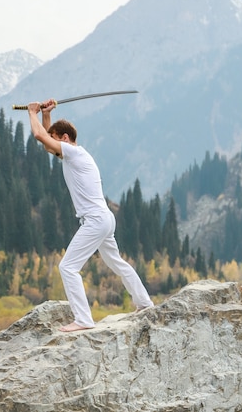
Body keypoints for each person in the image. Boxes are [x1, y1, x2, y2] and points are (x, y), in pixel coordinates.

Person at [27, 99, 154, 332]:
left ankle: (84, 320)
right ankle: (145, 303)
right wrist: (46, 115)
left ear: (65, 139)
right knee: (115, 261)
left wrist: (32, 112)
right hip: (103, 218)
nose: (52, 147)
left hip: (95, 220)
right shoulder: (76, 154)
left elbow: (39, 137)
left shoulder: (74, 154)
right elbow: (47, 142)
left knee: (68, 267)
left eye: (55, 139)